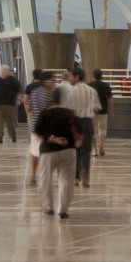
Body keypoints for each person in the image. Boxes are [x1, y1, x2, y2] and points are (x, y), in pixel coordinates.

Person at [32, 90, 82, 219]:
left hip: (48, 151)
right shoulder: (70, 113)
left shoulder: (45, 114)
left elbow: (38, 131)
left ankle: (48, 207)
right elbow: (80, 132)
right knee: (66, 180)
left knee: (45, 179)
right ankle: (63, 210)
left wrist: (53, 139)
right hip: (69, 149)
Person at [62, 70, 101, 188]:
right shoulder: (92, 91)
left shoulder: (70, 91)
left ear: (77, 77)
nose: (69, 78)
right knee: (85, 150)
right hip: (87, 122)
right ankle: (85, 174)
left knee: (74, 150)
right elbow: (96, 108)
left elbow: (67, 110)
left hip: (74, 122)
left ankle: (75, 177)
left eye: (71, 76)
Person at [0, 64, 23, 143]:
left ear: (8, 72)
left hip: (9, 104)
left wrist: (18, 99)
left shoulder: (13, 80)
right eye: (2, 71)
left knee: (10, 122)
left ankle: (13, 135)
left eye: (5, 71)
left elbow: (19, 90)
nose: (4, 72)